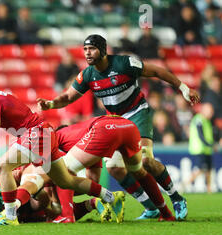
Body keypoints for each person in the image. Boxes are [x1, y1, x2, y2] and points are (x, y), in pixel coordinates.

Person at [37, 34, 200, 220]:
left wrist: (183, 88)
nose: (87, 53)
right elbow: (67, 97)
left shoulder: (125, 63)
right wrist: (50, 104)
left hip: (137, 113)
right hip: (115, 121)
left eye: (92, 49)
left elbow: (156, 71)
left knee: (145, 161)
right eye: (85, 49)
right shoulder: (88, 75)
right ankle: (150, 208)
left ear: (103, 50)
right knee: (114, 167)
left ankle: (176, 198)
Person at [0, 72, 122, 226]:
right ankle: (112, 197)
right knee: (66, 181)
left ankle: (10, 216)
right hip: (44, 133)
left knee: (2, 166)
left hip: (35, 134)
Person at [52, 116, 176, 222]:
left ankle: (67, 217)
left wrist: (60, 192)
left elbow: (60, 175)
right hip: (127, 126)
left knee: (64, 171)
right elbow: (92, 179)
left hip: (103, 128)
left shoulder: (56, 137)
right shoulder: (83, 140)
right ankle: (166, 214)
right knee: (138, 171)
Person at [184, 103, 215, 193]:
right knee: (201, 169)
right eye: (210, 111)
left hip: (207, 149)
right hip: (199, 148)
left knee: (209, 169)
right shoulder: (198, 119)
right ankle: (185, 184)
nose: (211, 113)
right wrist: (210, 145)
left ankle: (209, 189)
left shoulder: (206, 120)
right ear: (203, 110)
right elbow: (201, 135)